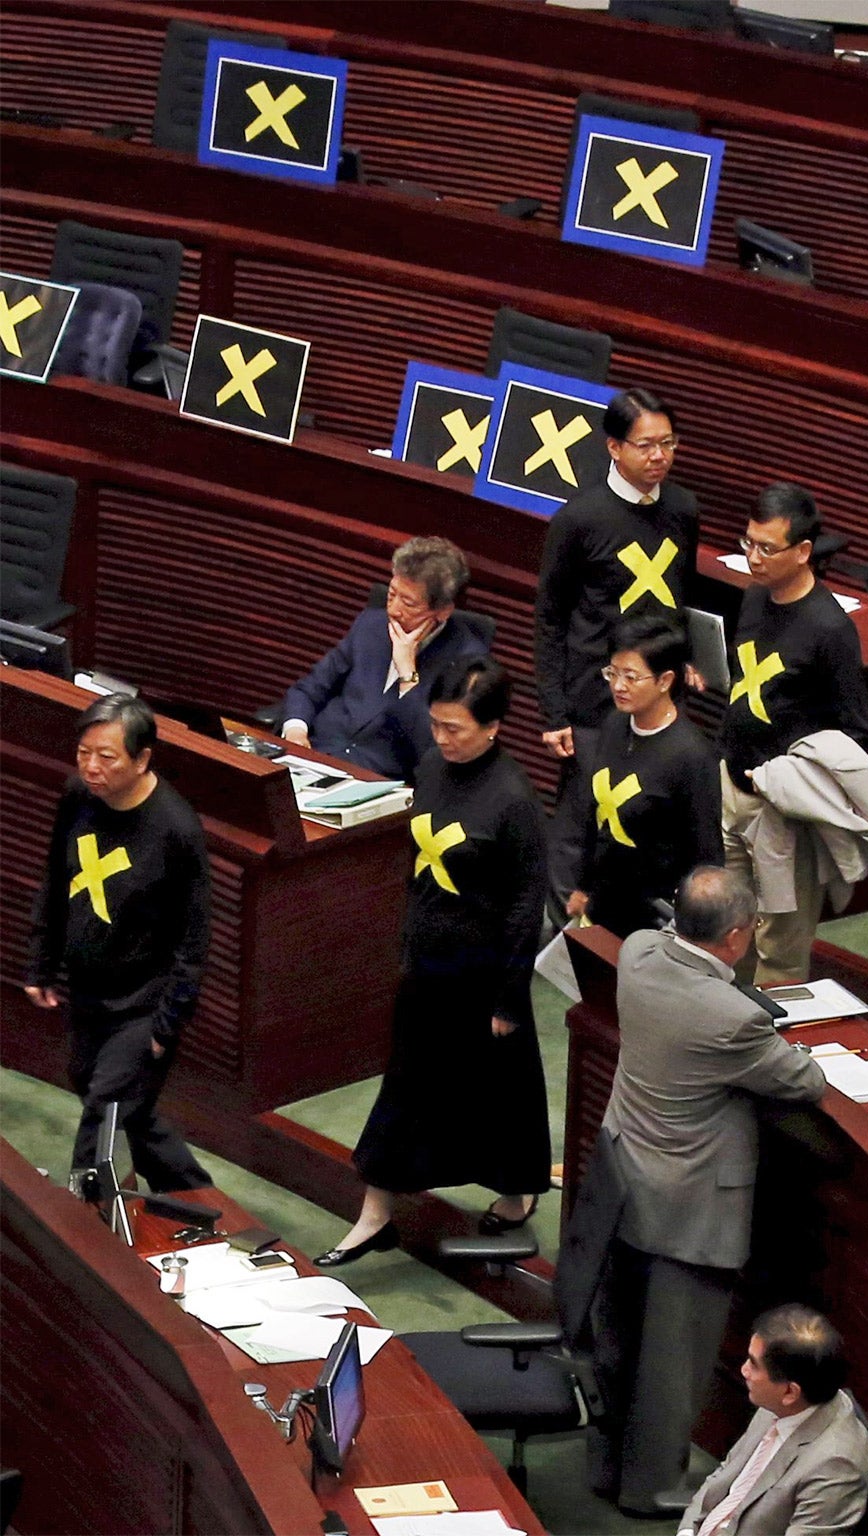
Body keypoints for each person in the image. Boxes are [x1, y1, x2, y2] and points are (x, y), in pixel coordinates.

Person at [582, 866, 826, 1516]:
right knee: (673, 1360)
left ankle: (606, 1467)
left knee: (619, 1342)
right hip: (688, 1207)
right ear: (740, 934)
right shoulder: (731, 1016)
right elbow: (805, 1082)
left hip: (622, 1183)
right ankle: (654, 1488)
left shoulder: (637, 955)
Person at [318, 658, 551, 1266]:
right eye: (437, 725)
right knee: (407, 1084)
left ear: (494, 727)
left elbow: (526, 907)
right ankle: (375, 1215)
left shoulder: (515, 801)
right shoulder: (432, 769)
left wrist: (508, 996)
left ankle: (518, 1190)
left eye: (456, 729)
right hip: (428, 960)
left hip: (485, 972)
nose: (442, 738)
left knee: (500, 1091)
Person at [25, 694, 210, 1192]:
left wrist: (166, 1024)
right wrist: (40, 963)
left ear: (142, 758)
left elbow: (193, 942)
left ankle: (85, 1222)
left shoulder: (175, 827)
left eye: (106, 757)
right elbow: (55, 879)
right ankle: (195, 1195)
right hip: (87, 988)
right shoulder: (77, 795)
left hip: (144, 1000)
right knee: (122, 1102)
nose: (91, 767)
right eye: (83, 753)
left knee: (104, 1110)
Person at [533, 387, 701, 897]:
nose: (659, 457)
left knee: (649, 814)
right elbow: (550, 619)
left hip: (660, 691)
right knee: (584, 815)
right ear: (614, 448)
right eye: (646, 445)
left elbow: (681, 594)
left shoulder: (683, 508)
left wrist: (687, 656)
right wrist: (554, 710)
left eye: (669, 443)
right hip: (593, 693)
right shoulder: (578, 519)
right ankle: (566, 929)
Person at [718, 482, 868, 984]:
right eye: (748, 543)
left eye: (767, 548)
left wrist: (791, 776)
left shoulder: (830, 630)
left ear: (804, 551)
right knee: (727, 934)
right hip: (732, 791)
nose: (753, 557)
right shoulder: (752, 598)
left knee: (779, 953)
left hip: (782, 813)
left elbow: (857, 731)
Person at [279, 537, 493, 781]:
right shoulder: (371, 624)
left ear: (442, 611)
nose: (393, 609)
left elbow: (435, 751)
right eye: (392, 594)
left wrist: (407, 675)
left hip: (376, 781)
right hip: (314, 755)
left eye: (408, 603)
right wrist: (296, 730)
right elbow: (310, 688)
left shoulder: (468, 661)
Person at [567, 615, 721, 938]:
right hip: (605, 902)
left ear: (665, 681)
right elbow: (595, 817)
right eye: (613, 673)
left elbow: (706, 854)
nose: (618, 686)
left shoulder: (692, 756)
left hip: (656, 920)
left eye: (631, 677)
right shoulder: (614, 724)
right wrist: (584, 885)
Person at [679, 1305, 868, 1536]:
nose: (743, 1370)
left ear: (790, 1392)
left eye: (753, 1364)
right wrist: (687, 1531)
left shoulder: (836, 1465)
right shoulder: (779, 1403)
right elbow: (725, 1473)